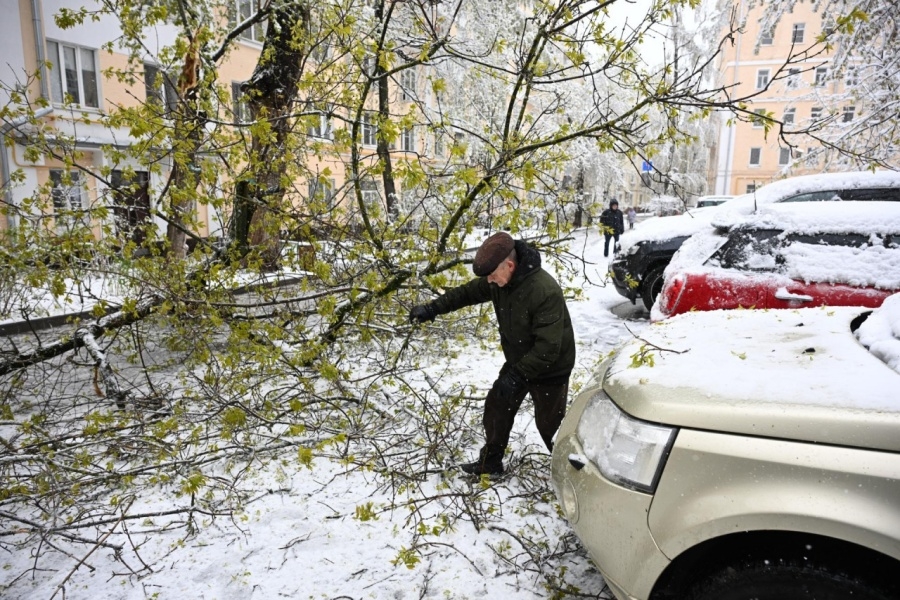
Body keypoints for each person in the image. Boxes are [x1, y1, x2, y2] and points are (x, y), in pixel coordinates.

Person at [408, 232, 576, 476]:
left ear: (509, 265)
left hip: (551, 368)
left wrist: (516, 376)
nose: (489, 280)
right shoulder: (500, 282)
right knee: (497, 405)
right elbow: (465, 294)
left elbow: (548, 348)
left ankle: (572, 474)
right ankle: (491, 463)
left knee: (551, 427)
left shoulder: (543, 290)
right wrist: (433, 308)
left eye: (492, 275)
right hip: (519, 359)